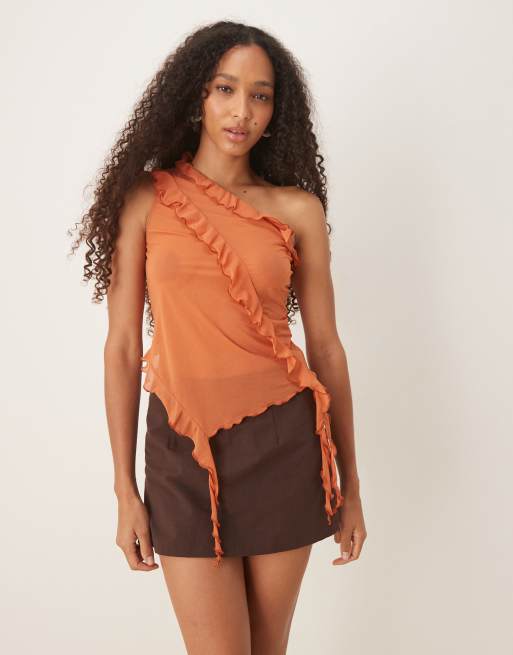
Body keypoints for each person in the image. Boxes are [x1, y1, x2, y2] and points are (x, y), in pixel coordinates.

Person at [70, 20, 366, 655]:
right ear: (196, 95)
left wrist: (352, 485)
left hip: (284, 443)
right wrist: (125, 490)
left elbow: (326, 347)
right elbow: (122, 347)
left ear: (276, 112)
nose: (242, 111)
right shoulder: (146, 198)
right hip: (181, 450)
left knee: (267, 649)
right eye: (225, 89)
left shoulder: (297, 210)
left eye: (260, 96)